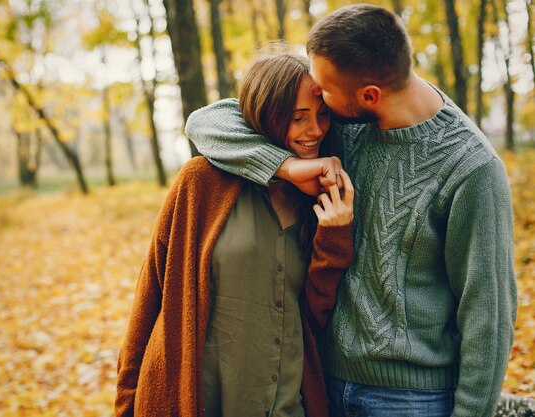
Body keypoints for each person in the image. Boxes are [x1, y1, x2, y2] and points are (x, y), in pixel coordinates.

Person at [185, 4, 517, 417]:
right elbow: (207, 122)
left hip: (410, 401)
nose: (315, 96)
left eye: (322, 89)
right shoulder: (341, 121)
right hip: (321, 384)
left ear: (369, 96)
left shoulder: (472, 170)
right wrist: (288, 166)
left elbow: (489, 317)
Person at [115, 52, 355, 417]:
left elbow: (311, 317)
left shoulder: (318, 199)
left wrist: (334, 237)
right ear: (267, 118)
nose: (315, 131)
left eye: (321, 115)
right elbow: (151, 294)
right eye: (298, 118)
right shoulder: (201, 183)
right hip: (195, 401)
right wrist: (125, 402)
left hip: (284, 402)